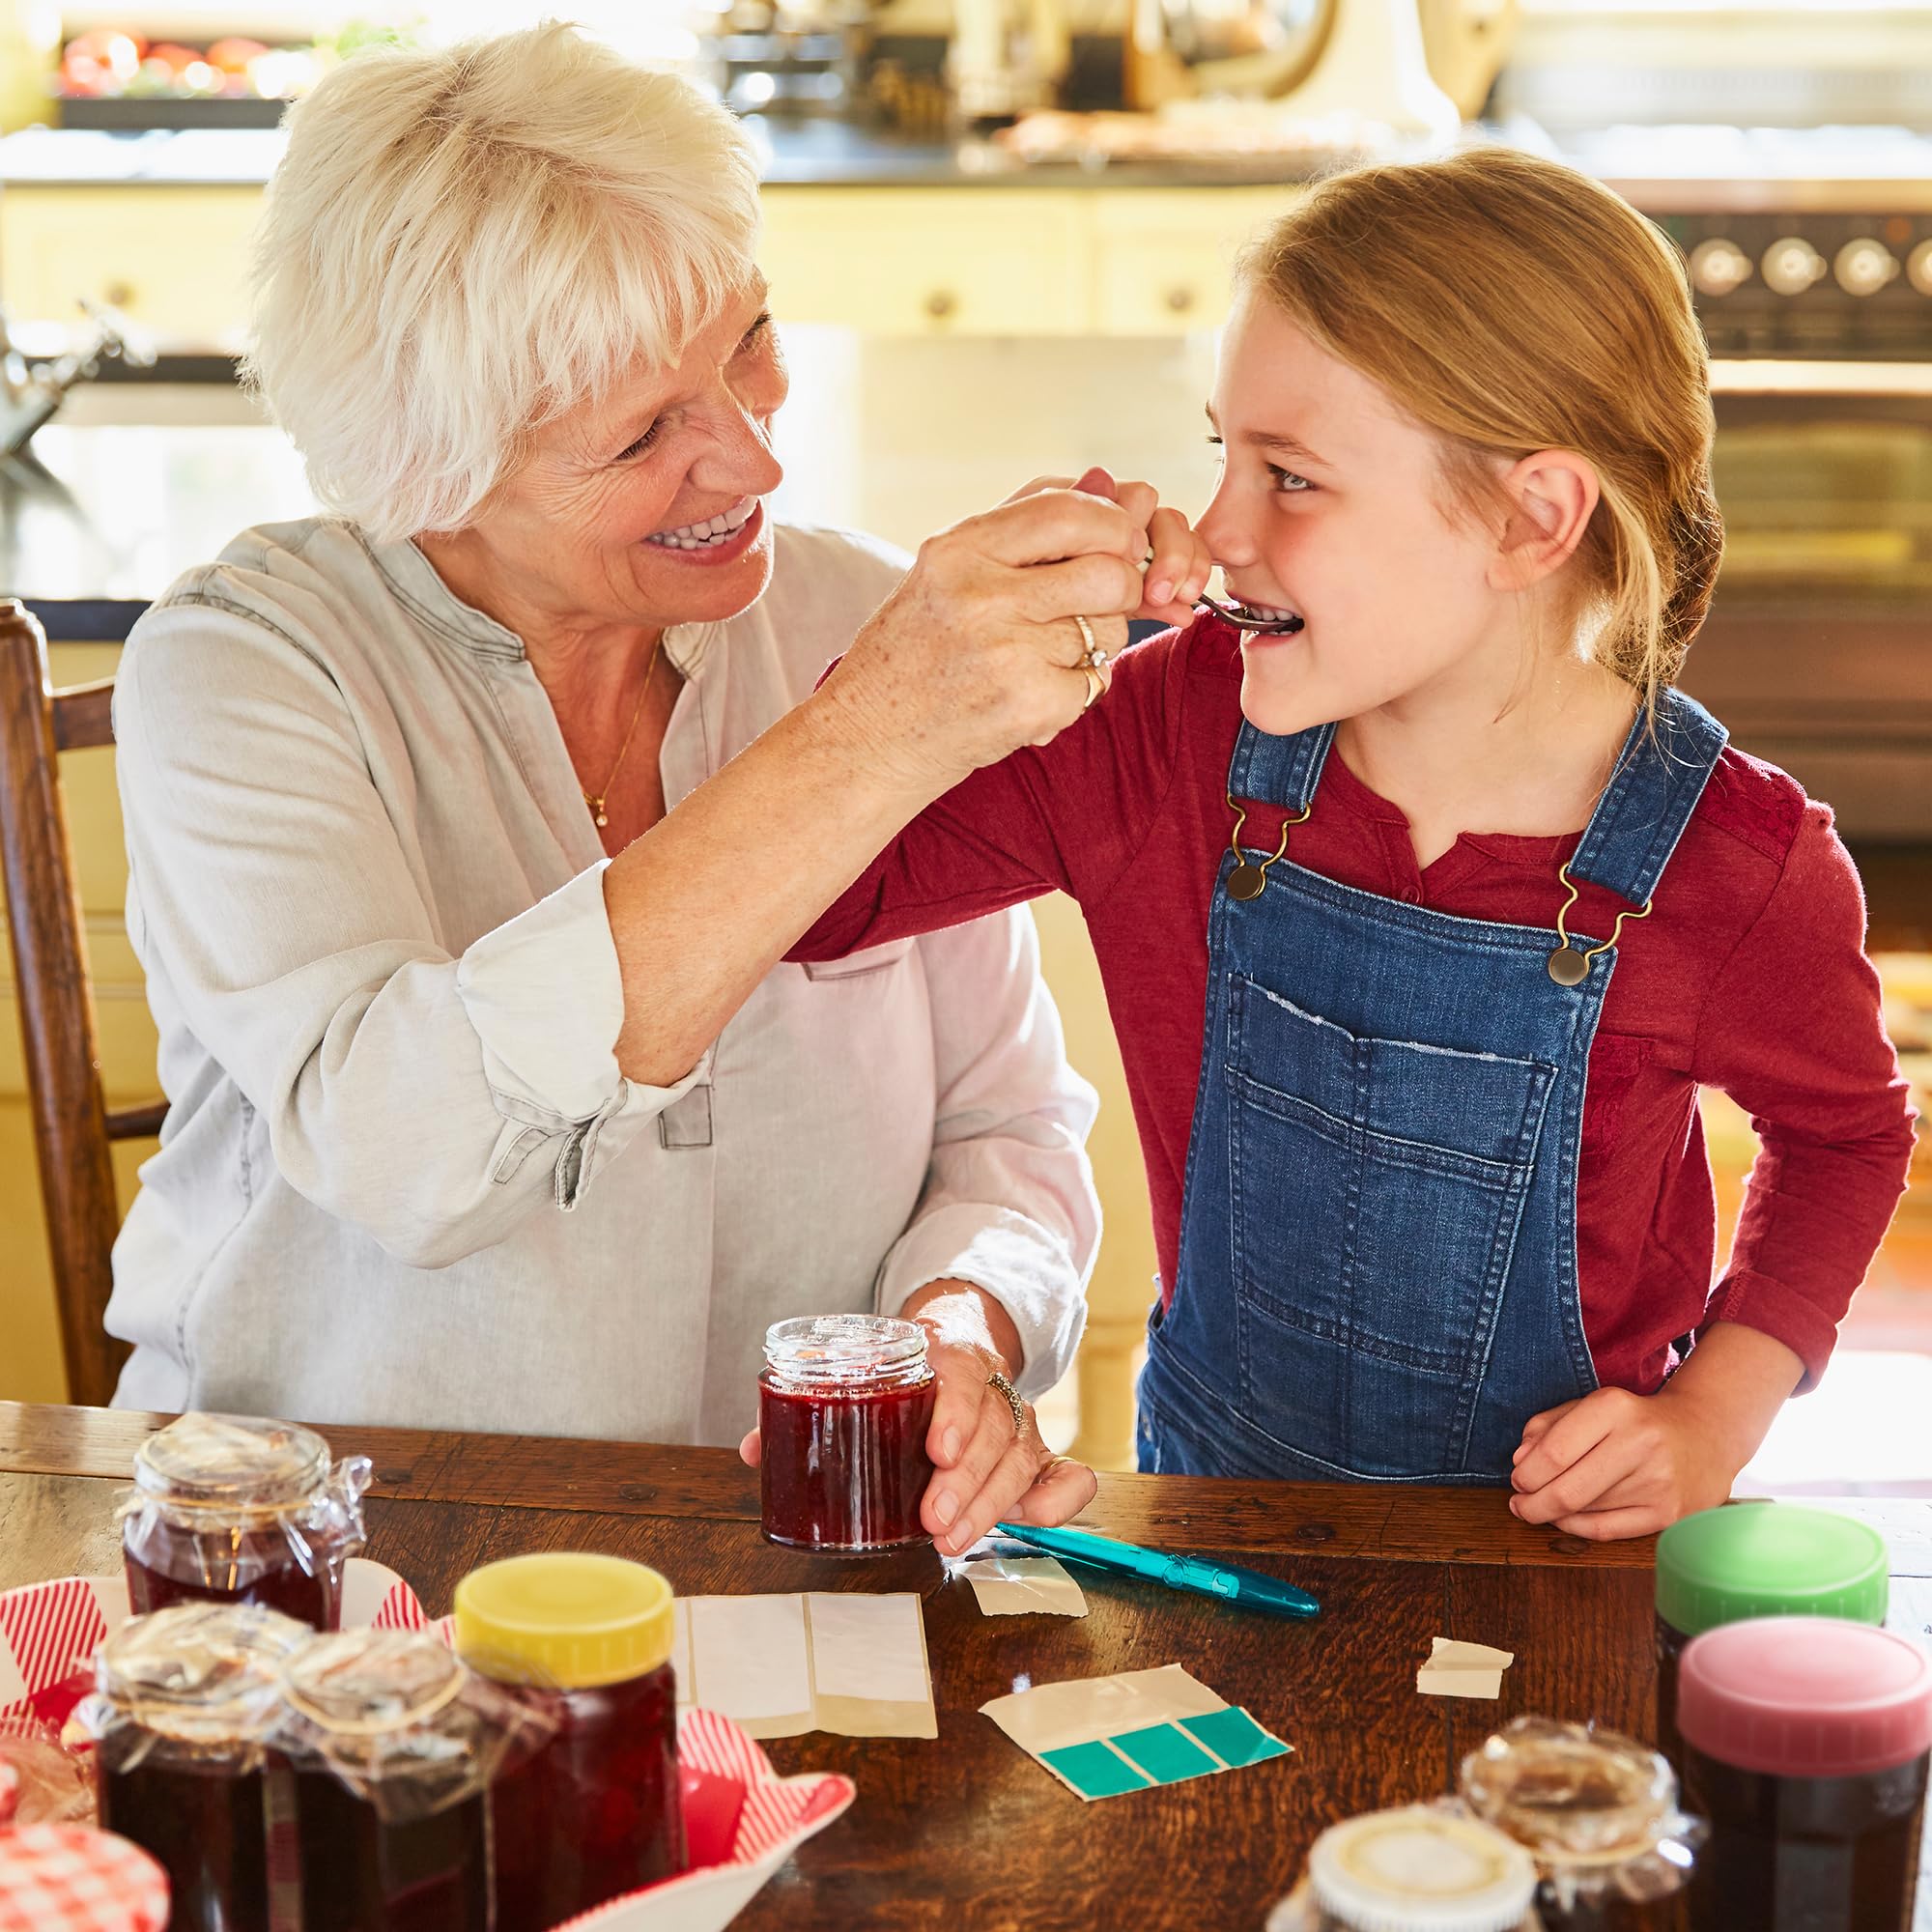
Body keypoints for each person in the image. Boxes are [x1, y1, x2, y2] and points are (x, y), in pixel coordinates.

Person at [104, 24, 1195, 1552]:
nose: (752, 461)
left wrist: (960, 1329)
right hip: (342, 1559)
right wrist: (868, 742)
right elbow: (412, 1157)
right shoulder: (243, 673)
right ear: (430, 463)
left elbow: (1006, 1133)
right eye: (640, 434)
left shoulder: (857, 623)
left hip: (806, 1547)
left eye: (747, 342)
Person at [786, 149, 1918, 1539]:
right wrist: (946, 662)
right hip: (1212, 1515)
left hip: (1553, 1567)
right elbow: (814, 899)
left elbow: (1848, 1139)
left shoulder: (1737, 867)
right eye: (1222, 454)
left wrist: (1719, 1407)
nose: (1218, 531)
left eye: (1293, 478)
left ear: (1530, 517)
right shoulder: (1167, 732)